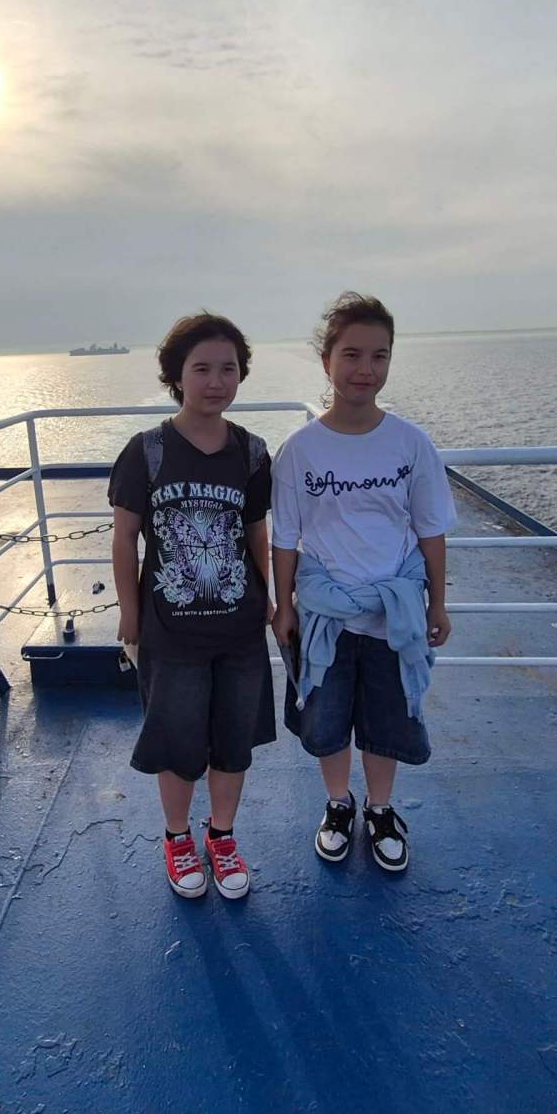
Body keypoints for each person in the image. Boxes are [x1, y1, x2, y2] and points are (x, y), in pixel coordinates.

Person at [270, 292, 456, 872]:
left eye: (379, 356)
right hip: (325, 613)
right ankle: (337, 803)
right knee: (326, 720)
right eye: (351, 354)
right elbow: (285, 538)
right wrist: (283, 606)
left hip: (393, 613)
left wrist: (438, 604)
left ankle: (380, 808)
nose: (365, 369)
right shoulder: (300, 450)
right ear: (326, 360)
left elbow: (430, 530)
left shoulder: (410, 443)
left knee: (385, 717)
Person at [109, 311, 274, 899]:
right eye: (201, 368)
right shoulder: (147, 451)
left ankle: (221, 836)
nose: (216, 381)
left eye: (228, 368)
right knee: (176, 741)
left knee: (233, 741)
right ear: (176, 376)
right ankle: (177, 838)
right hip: (170, 630)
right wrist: (130, 613)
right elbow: (125, 537)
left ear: (241, 375)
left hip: (239, 629)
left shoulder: (251, 453)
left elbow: (255, 531)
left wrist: (270, 598)